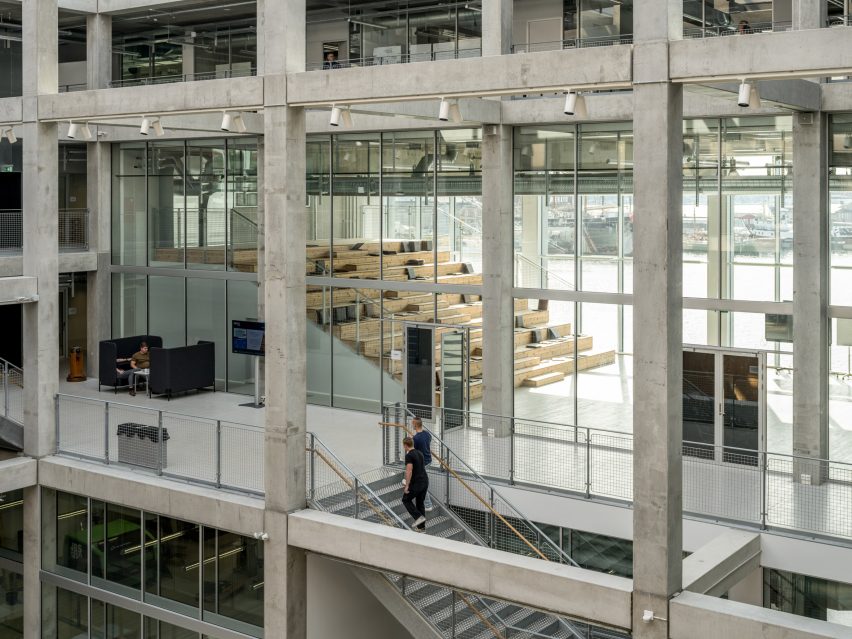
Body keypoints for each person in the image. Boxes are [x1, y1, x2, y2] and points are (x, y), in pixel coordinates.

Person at [401, 436, 428, 531]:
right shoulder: (420, 453)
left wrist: (407, 485)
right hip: (425, 481)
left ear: (405, 445)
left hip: (417, 483)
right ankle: (422, 528)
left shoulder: (409, 455)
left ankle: (418, 517)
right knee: (420, 503)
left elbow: (409, 471)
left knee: (405, 499)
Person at [412, 417, 434, 511]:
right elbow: (428, 441)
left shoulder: (416, 438)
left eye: (412, 423)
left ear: (415, 425)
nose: (411, 425)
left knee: (422, 483)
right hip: (429, 460)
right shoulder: (427, 434)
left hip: (422, 463)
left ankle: (428, 504)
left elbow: (414, 451)